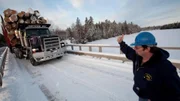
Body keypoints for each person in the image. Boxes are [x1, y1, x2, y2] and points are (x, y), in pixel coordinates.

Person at [117, 32, 180, 101]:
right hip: (142, 95)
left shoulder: (164, 67)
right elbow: (129, 51)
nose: (134, 49)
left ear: (147, 48)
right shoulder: (138, 57)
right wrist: (121, 43)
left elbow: (176, 92)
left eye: (137, 47)